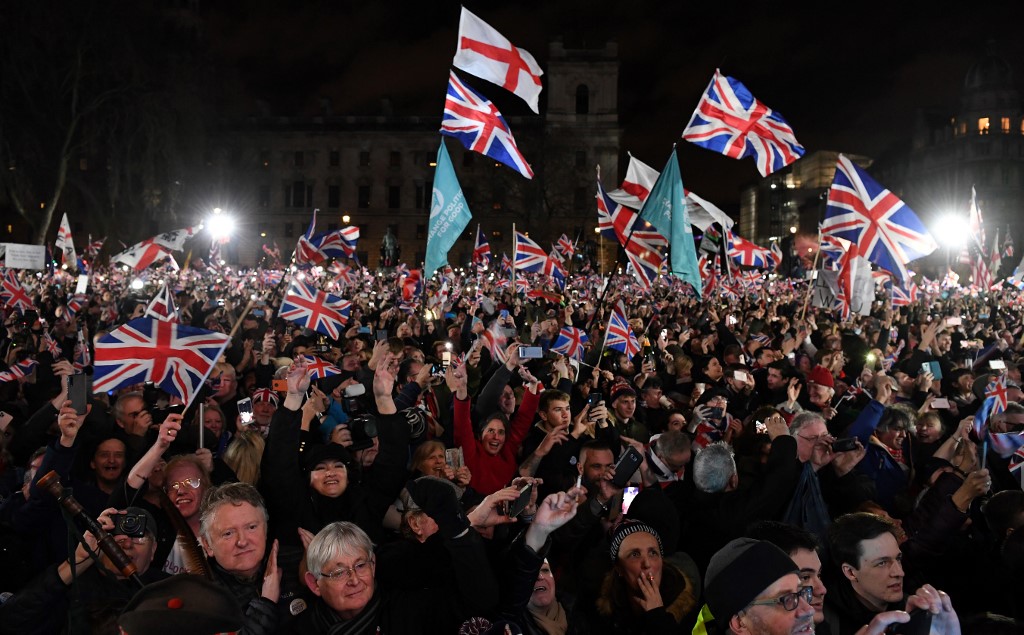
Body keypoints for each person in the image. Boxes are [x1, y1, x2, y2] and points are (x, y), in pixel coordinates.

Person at [292, 479, 499, 633]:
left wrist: (458, 530)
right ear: (314, 583)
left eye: (361, 565)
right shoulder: (299, 628)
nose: (354, 580)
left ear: (374, 565)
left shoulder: (408, 612)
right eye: (339, 572)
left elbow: (479, 602)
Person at [0, 506, 165, 635]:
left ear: (153, 550)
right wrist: (78, 560)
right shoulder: (73, 585)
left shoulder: (166, 589)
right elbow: (10, 622)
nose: (127, 544)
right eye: (117, 534)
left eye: (139, 537)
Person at [198, 482, 300, 635]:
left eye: (251, 527)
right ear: (207, 545)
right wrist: (266, 602)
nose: (242, 541)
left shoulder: (298, 563)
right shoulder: (200, 596)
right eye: (228, 533)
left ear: (265, 529)